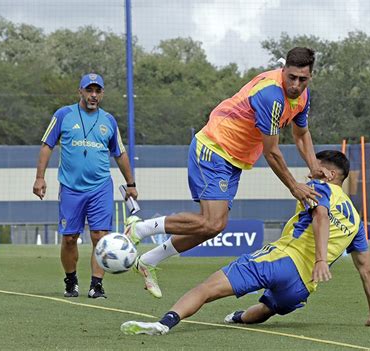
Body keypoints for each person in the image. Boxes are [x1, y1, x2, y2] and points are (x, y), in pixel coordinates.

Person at [124, 47, 332, 298]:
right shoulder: (271, 95)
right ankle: (139, 229)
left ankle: (148, 261)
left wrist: (313, 166)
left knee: (214, 226)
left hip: (234, 159)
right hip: (214, 147)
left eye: (303, 79)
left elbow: (301, 134)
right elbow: (272, 152)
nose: (296, 85)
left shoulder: (302, 97)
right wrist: (294, 187)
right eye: (292, 77)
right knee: (211, 221)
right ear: (283, 70)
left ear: (310, 77)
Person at [120, 150, 370, 336]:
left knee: (207, 289)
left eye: (314, 170)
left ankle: (165, 323)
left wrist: (319, 259)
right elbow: (367, 270)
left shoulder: (322, 189)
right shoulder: (356, 220)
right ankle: (238, 317)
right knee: (268, 309)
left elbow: (321, 215)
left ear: (328, 174)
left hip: (280, 260)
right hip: (302, 286)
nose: (308, 175)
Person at [32, 73, 138, 299]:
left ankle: (96, 285)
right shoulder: (63, 115)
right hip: (70, 187)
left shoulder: (108, 120)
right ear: (79, 91)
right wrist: (40, 177)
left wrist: (131, 184)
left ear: (102, 94)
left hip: (100, 187)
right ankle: (71, 281)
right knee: (70, 237)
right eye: (89, 90)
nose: (93, 95)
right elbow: (46, 146)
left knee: (100, 236)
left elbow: (120, 153)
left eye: (97, 91)